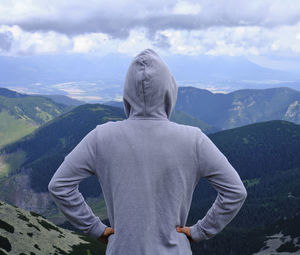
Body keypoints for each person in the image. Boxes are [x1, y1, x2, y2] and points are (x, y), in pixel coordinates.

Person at [48, 48, 247, 254]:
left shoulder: (102, 137)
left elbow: (59, 186)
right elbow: (235, 192)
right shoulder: (193, 139)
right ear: (169, 90)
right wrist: (199, 231)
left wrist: (95, 228)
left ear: (127, 92)